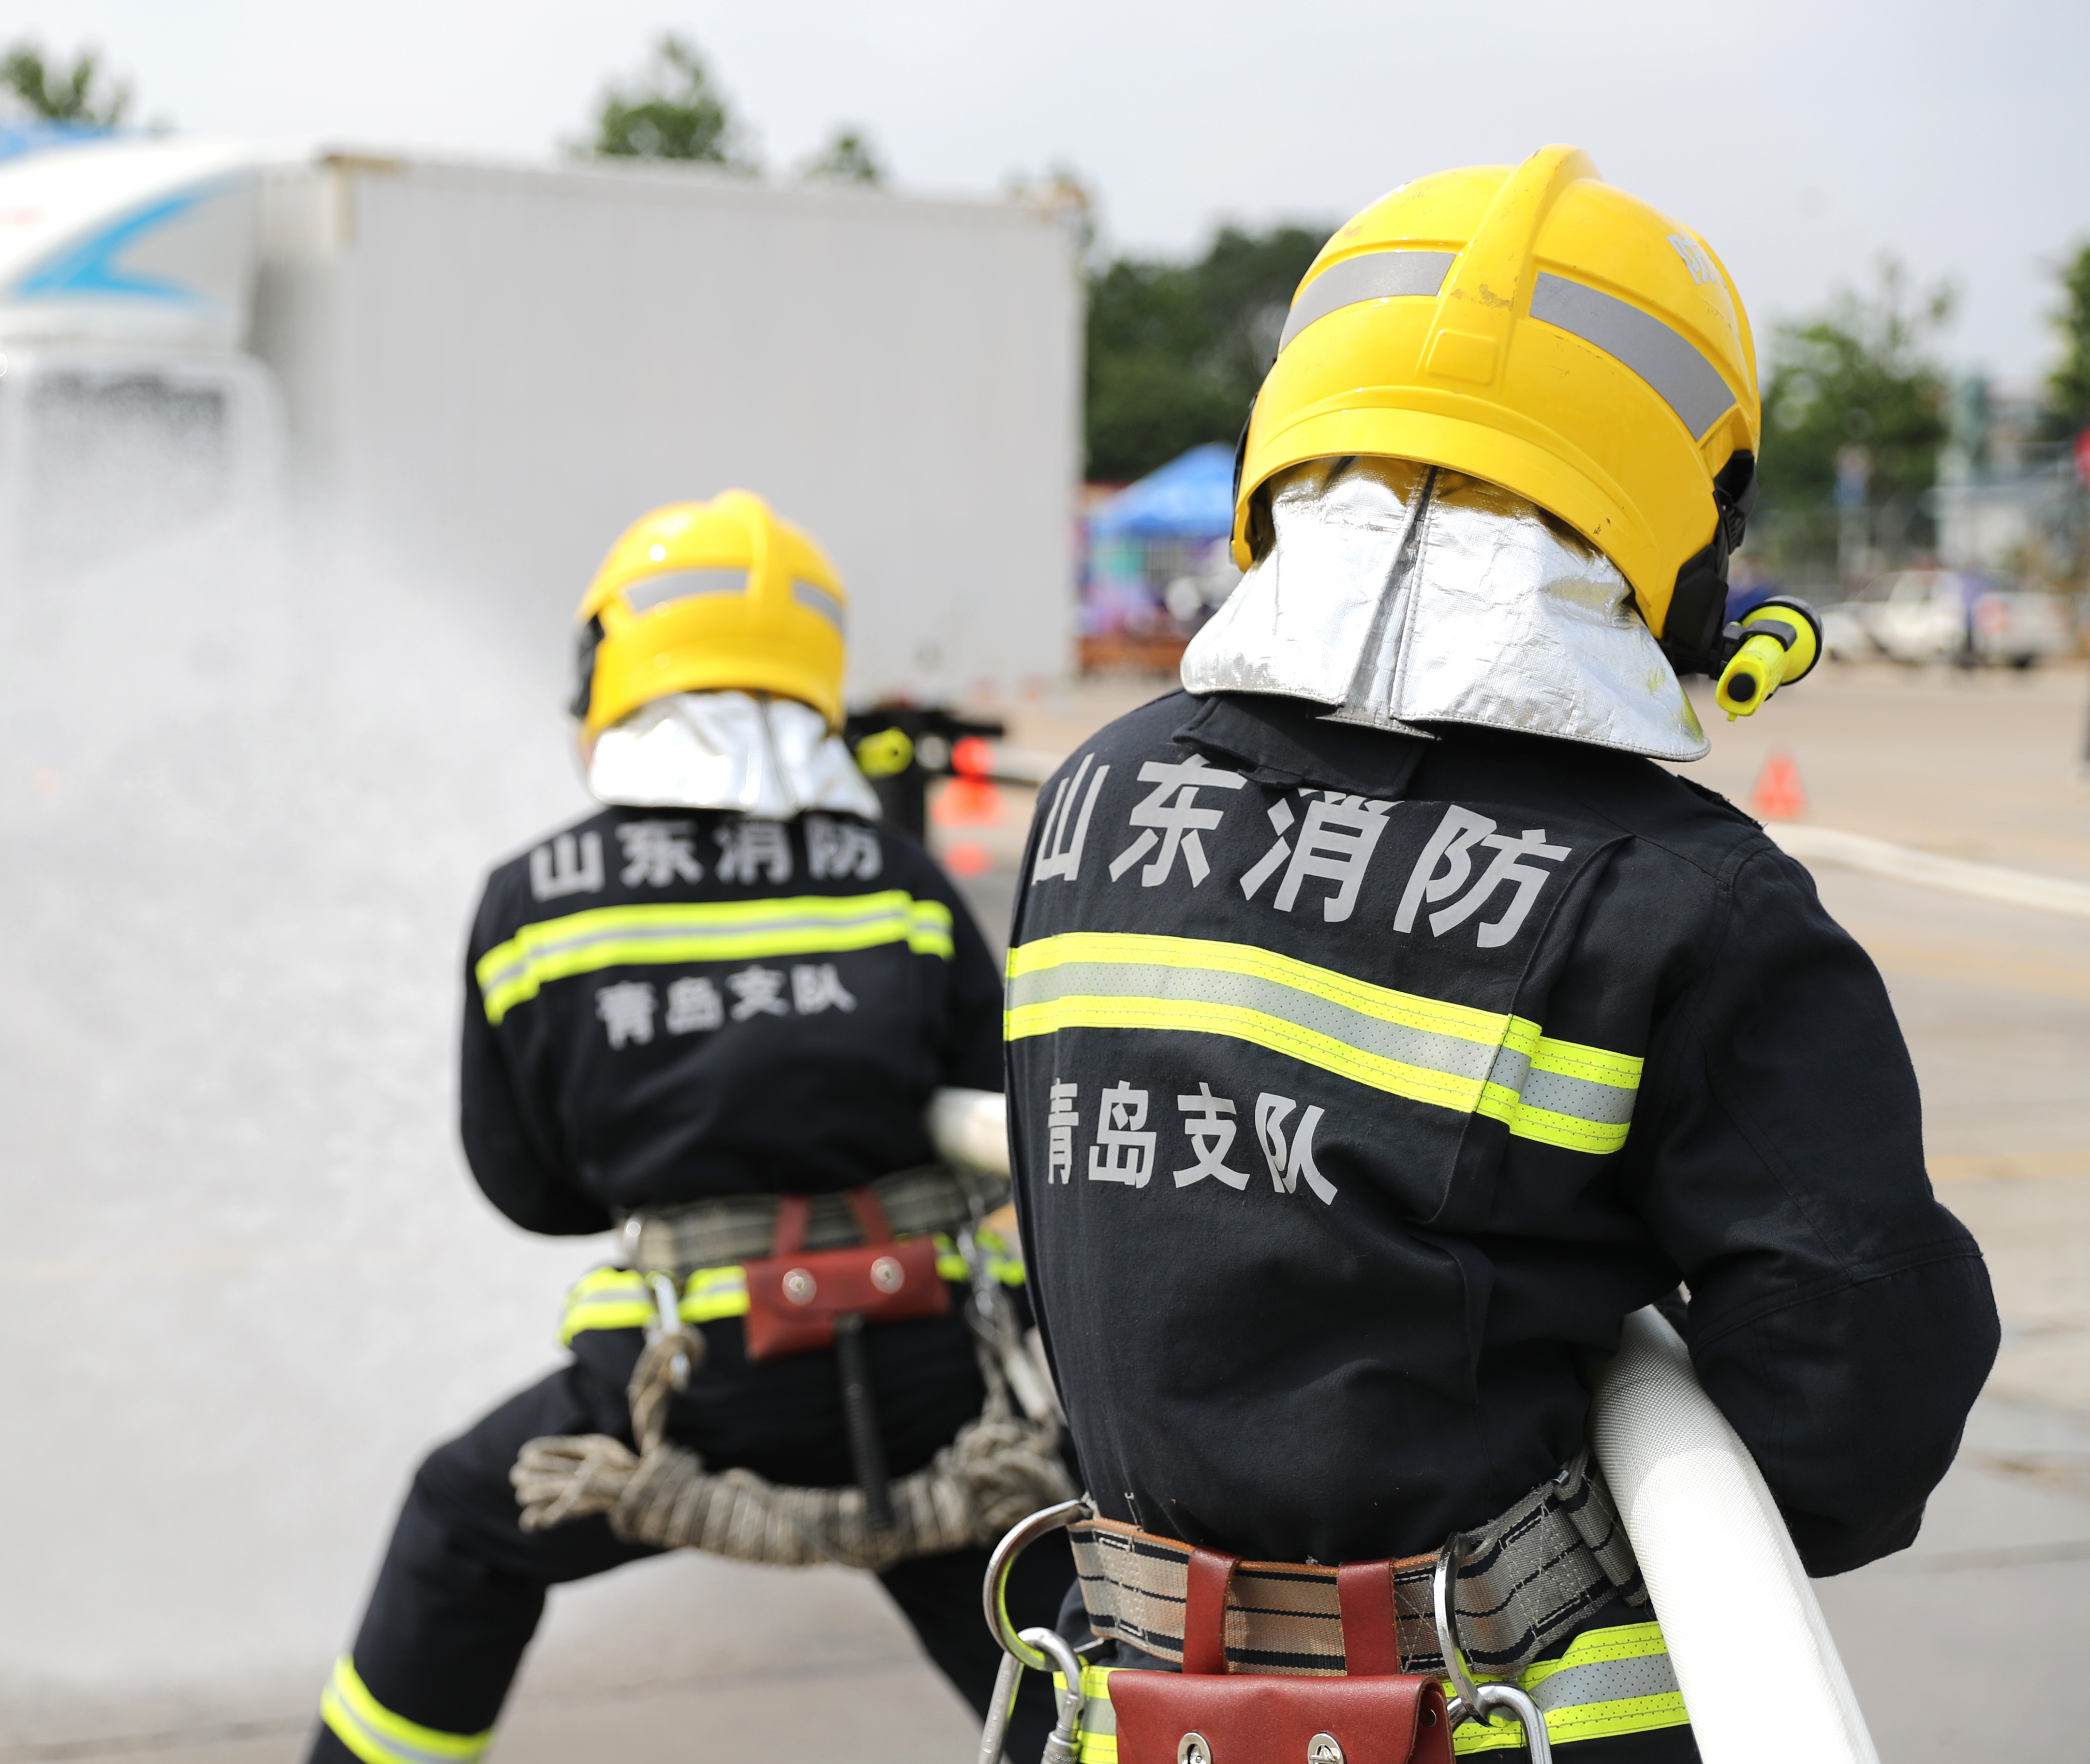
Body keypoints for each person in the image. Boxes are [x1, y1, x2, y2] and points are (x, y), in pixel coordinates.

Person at [1001, 147, 1997, 1759]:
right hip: (1522, 1716)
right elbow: (1857, 1408)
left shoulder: (1101, 798)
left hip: (1126, 1710)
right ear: (1686, 511)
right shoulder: (1687, 899)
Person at [302, 488, 1075, 1764]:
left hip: (690, 1384)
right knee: (1063, 1660)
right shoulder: (901, 882)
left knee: (461, 1520)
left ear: (610, 672)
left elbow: (530, 1187)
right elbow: (998, 1124)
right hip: (929, 1378)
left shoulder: (532, 902)